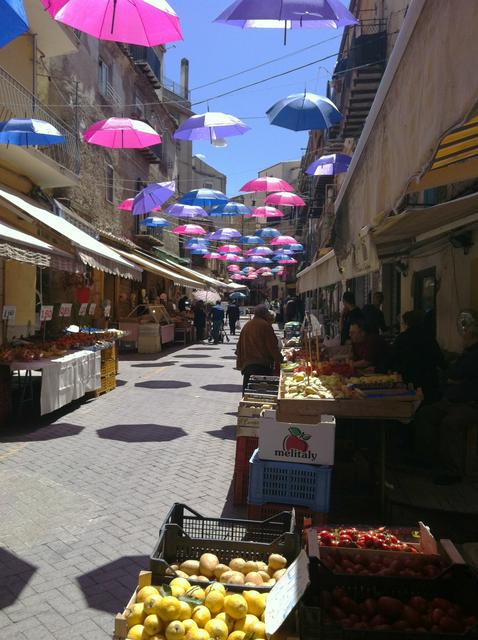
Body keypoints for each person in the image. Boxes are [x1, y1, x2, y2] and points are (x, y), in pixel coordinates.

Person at [413, 311, 478, 483]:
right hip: (451, 401)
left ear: (471, 334)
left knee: (450, 424)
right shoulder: (467, 352)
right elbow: (452, 374)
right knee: (424, 415)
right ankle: (428, 460)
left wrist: (452, 377)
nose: (462, 336)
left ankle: (452, 471)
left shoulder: (474, 354)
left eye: (466, 333)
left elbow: (456, 373)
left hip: (470, 404)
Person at [392, 310, 445, 402]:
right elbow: (439, 359)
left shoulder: (401, 338)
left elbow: (393, 359)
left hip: (408, 381)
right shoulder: (429, 337)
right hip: (429, 381)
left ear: (406, 323)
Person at [236, 304, 282, 394]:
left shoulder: (247, 325)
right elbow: (272, 347)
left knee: (248, 395)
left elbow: (238, 347)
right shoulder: (265, 326)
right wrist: (281, 360)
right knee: (261, 395)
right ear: (264, 314)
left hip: (247, 366)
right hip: (261, 366)